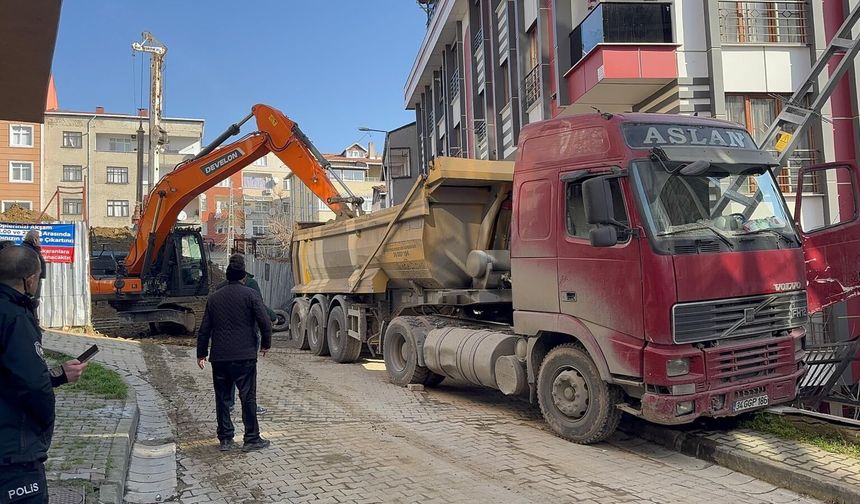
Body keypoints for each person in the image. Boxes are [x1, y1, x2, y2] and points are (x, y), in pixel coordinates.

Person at [0, 246, 87, 503]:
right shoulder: (15, 319)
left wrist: (59, 375)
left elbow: (11, 375)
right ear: (30, 280)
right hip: (14, 454)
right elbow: (32, 386)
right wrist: (43, 426)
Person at [197, 256, 272, 452]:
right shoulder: (250, 295)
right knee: (248, 397)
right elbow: (265, 321)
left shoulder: (214, 298)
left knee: (222, 398)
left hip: (220, 358)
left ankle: (226, 439)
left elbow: (204, 328)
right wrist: (265, 344)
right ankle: (251, 439)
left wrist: (201, 353)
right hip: (244, 357)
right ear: (243, 278)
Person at [216, 254, 274, 414]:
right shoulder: (251, 284)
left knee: (228, 377)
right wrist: (266, 341)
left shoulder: (219, 288)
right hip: (247, 340)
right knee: (247, 379)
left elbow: (210, 321)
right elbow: (261, 309)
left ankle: (228, 404)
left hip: (224, 341)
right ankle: (250, 408)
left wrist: (203, 350)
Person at [22, 230, 46, 316]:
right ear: (34, 239)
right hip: (31, 280)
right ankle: (33, 321)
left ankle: (34, 320)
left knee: (34, 300)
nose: (40, 240)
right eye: (38, 238)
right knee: (32, 300)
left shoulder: (33, 248)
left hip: (36, 278)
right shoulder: (28, 249)